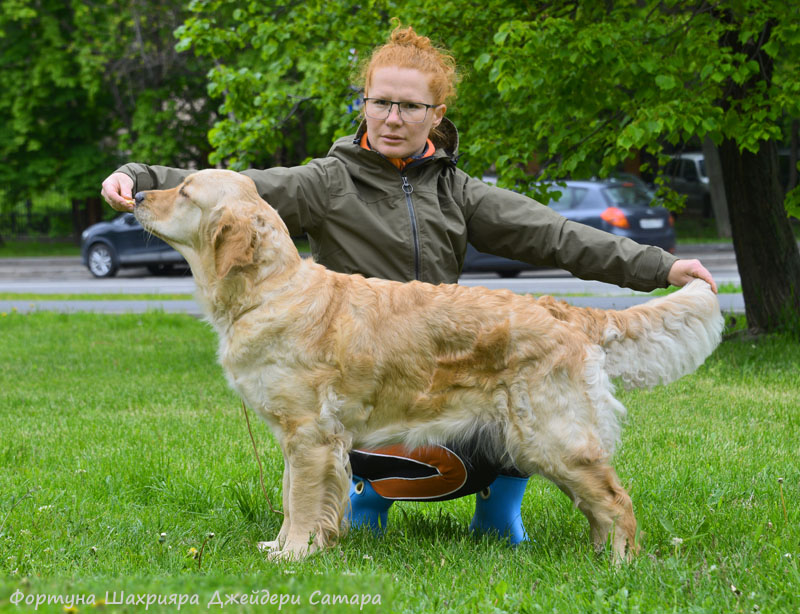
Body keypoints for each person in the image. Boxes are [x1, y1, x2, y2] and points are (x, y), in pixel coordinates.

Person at [101, 25, 716, 545]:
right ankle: (359, 505)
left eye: (410, 106)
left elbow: (556, 235)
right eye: (380, 102)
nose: (393, 118)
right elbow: (224, 190)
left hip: (451, 359)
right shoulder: (326, 182)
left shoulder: (460, 190)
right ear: (364, 104)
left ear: (435, 115)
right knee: (336, 423)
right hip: (365, 377)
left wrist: (661, 269)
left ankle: (498, 513)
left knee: (516, 407)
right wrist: (139, 175)